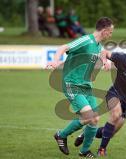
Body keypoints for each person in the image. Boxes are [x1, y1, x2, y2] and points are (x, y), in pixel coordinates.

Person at [46, 17, 114, 158]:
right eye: (110, 32)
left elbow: (101, 52)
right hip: (72, 83)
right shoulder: (86, 40)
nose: (111, 35)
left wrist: (105, 61)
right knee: (89, 116)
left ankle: (84, 151)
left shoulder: (97, 44)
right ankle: (61, 135)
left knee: (94, 119)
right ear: (104, 30)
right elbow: (63, 47)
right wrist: (55, 60)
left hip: (86, 85)